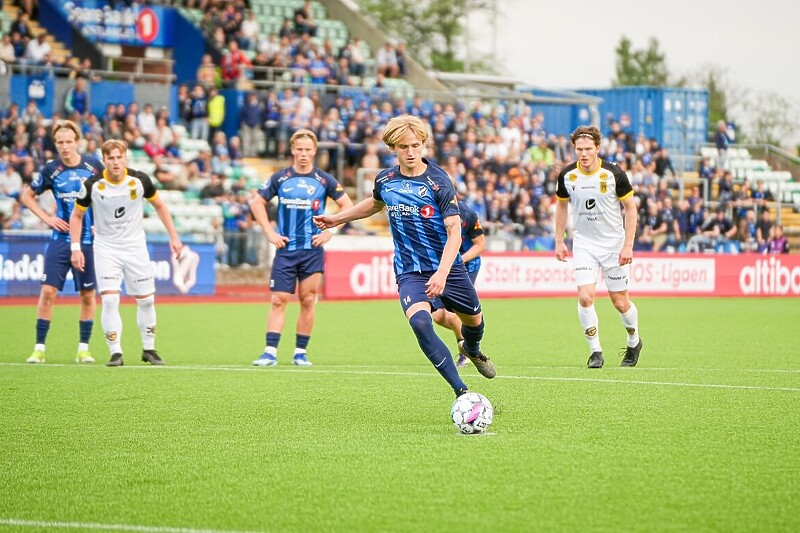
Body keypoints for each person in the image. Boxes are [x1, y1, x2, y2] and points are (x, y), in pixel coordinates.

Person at [314, 115, 496, 398]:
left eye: (415, 145)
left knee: (475, 322)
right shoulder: (386, 180)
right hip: (409, 270)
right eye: (403, 147)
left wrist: (442, 273)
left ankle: (471, 349)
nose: (410, 152)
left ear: (423, 144)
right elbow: (373, 204)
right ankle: (462, 392)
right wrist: (337, 219)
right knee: (421, 323)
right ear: (392, 148)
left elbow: (455, 235)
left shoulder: (438, 182)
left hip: (447, 267)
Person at [69, 139, 183, 367]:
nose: (115, 162)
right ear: (104, 160)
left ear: (125, 158)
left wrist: (174, 236)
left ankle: (149, 349)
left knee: (147, 301)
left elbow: (160, 205)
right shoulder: (92, 184)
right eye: (110, 158)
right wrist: (75, 247)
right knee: (110, 299)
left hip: (135, 247)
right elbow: (76, 216)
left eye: (119, 157)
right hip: (106, 248)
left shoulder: (140, 180)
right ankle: (115, 352)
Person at [249, 129, 353, 367]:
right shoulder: (280, 178)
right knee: (279, 299)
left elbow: (347, 206)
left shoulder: (324, 180)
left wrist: (331, 231)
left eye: (308, 150)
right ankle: (270, 352)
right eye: (300, 149)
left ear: (314, 151)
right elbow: (257, 202)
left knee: (307, 299)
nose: (304, 154)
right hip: (286, 249)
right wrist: (269, 232)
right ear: (292, 149)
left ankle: (300, 352)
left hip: (312, 250)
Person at [555, 125, 643, 369]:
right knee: (585, 297)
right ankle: (596, 351)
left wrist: (628, 245)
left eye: (588, 149)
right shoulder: (567, 175)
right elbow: (561, 206)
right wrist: (559, 239)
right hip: (584, 244)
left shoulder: (613, 174)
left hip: (613, 245)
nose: (583, 154)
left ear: (597, 149)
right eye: (579, 149)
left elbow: (631, 208)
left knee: (620, 302)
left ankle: (634, 341)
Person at [21, 120, 104, 364]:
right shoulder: (50, 170)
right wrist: (47, 217)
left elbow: (109, 194)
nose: (65, 146)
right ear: (55, 144)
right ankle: (39, 349)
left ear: (77, 142)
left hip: (88, 241)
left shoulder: (94, 165)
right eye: (60, 142)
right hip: (60, 239)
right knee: (47, 292)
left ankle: (83, 349)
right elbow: (27, 196)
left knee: (88, 295)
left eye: (69, 141)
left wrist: (102, 221)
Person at [432, 177, 486, 368]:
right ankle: (466, 337)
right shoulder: (428, 213)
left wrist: (457, 260)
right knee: (438, 316)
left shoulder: (467, 213)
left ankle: (464, 350)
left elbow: (480, 245)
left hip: (466, 265)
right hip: (441, 267)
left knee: (454, 312)